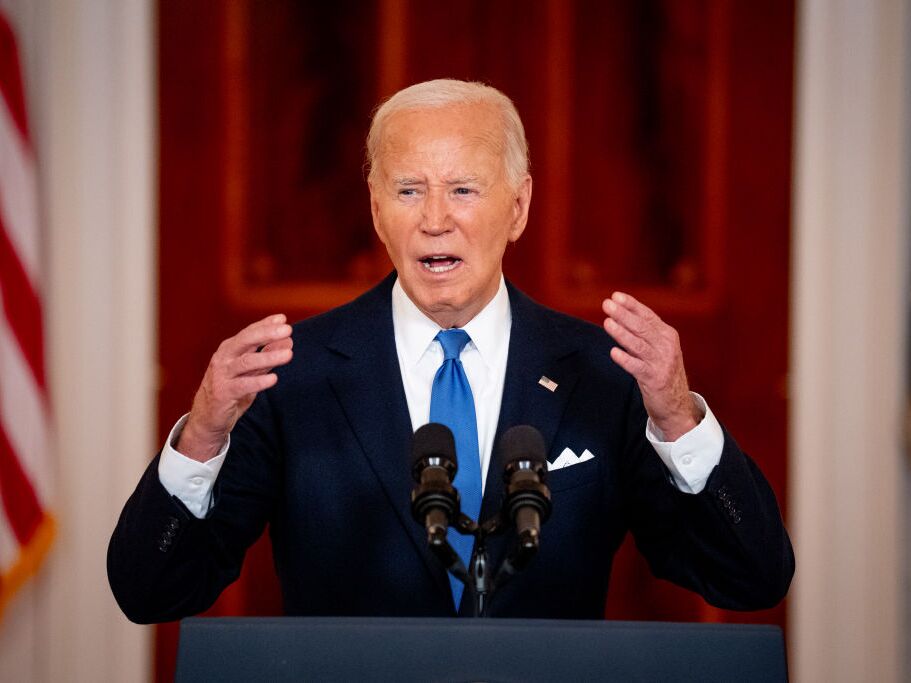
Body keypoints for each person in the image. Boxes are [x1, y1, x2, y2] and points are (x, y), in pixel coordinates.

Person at [108, 79, 793, 622]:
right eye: (409, 190)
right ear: (377, 210)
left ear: (517, 208)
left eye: (463, 189)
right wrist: (200, 437)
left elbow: (749, 576)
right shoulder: (291, 376)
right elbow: (151, 591)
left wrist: (678, 420)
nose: (435, 218)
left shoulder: (599, 374)